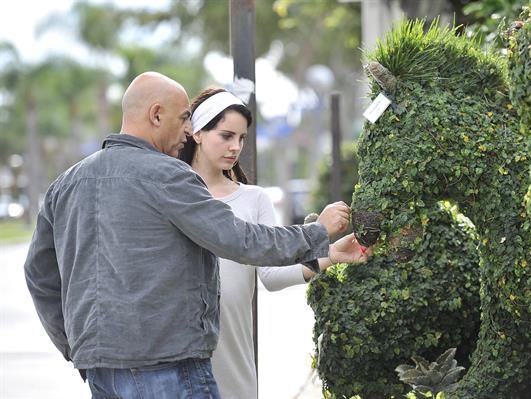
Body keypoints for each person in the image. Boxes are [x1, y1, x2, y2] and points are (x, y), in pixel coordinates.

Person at [23, 71, 372, 399]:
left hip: (101, 370)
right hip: (169, 368)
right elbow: (241, 240)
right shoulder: (168, 176)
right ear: (156, 115)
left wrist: (77, 346)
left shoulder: (65, 184)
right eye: (182, 119)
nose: (188, 131)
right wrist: (318, 232)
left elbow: (38, 275)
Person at [179, 86, 347, 398]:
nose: (235, 147)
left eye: (241, 139)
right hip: (176, 355)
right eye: (226, 136)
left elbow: (271, 275)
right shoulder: (171, 192)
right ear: (197, 133)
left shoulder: (254, 198)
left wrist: (332, 254)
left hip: (233, 354)